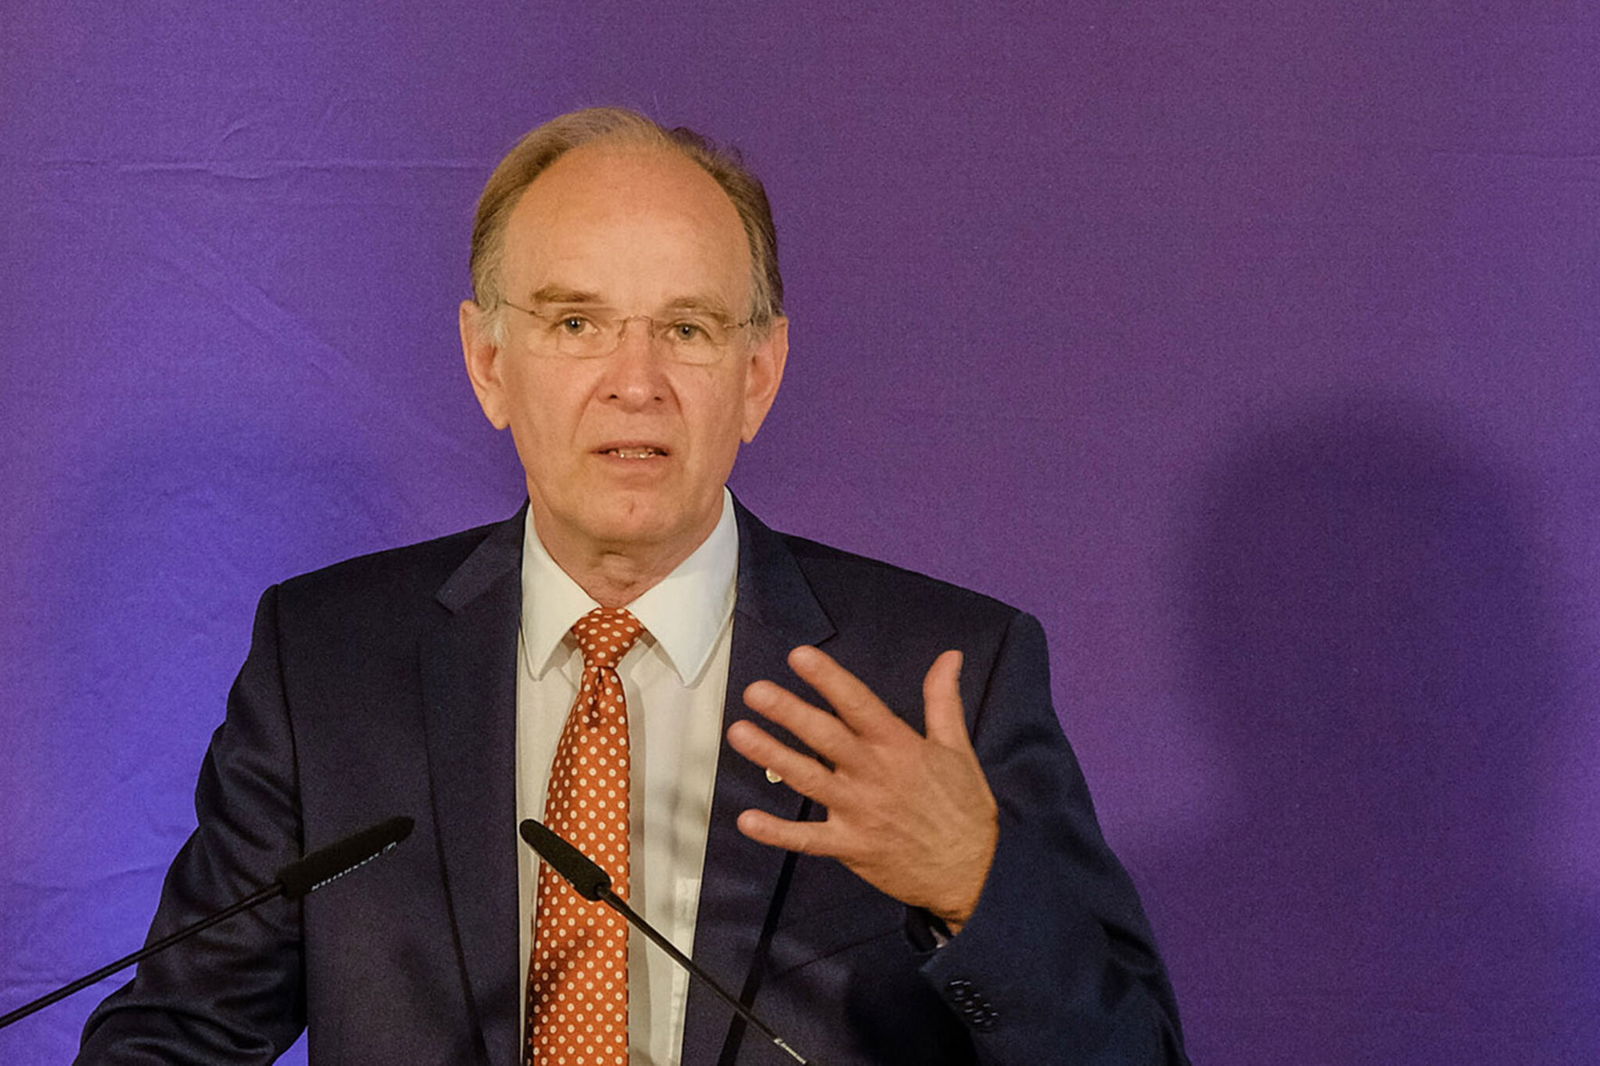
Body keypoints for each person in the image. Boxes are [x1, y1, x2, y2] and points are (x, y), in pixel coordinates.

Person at [76, 108, 1186, 1065]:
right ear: (488, 363)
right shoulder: (328, 663)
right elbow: (178, 1035)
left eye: (687, 329)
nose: (636, 383)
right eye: (576, 323)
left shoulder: (937, 675)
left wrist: (974, 889)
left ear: (758, 376)